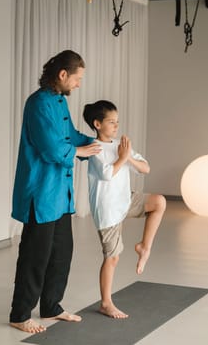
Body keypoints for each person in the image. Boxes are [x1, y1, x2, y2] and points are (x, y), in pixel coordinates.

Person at [9, 50, 101, 334]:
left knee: (62, 253)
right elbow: (51, 148)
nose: (78, 84)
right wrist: (80, 151)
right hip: (41, 193)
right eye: (77, 78)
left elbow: (69, 136)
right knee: (35, 256)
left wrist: (98, 143)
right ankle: (20, 314)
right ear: (63, 74)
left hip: (61, 195)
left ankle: (51, 306)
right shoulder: (37, 104)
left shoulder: (59, 102)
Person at [83, 100, 166, 319]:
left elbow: (146, 168)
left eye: (117, 121)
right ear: (97, 124)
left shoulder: (122, 144)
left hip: (125, 200)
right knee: (112, 257)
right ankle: (106, 303)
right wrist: (122, 158)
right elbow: (107, 174)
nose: (116, 126)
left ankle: (143, 247)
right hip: (107, 209)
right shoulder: (94, 148)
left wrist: (127, 156)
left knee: (159, 202)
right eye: (111, 122)